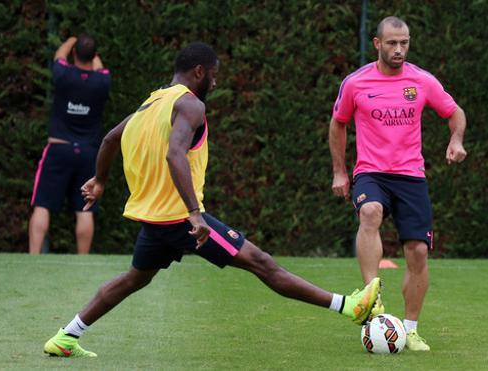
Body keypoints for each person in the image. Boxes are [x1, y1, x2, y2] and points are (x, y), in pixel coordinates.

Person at [43, 42, 381, 358]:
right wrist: (194, 214)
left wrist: (101, 180)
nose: (216, 83)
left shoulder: (151, 104)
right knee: (260, 261)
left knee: (135, 278)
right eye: (215, 75)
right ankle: (349, 306)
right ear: (200, 72)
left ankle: (66, 336)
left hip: (157, 219)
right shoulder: (190, 104)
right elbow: (175, 155)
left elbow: (109, 139)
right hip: (180, 219)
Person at [328, 16, 467, 351]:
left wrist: (456, 139)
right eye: (392, 43)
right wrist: (340, 172)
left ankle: (411, 329)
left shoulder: (421, 81)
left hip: (410, 176)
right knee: (371, 212)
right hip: (371, 172)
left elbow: (454, 112)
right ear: (378, 44)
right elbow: (338, 124)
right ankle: (371, 297)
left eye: (404, 42)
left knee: (417, 252)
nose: (399, 49)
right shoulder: (356, 83)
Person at [29, 34, 112, 255]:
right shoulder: (102, 81)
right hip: (88, 152)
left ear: (74, 53)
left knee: (43, 204)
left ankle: (33, 256)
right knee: (85, 208)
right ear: (94, 56)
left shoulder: (63, 74)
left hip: (59, 147)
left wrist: (71, 41)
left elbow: (58, 56)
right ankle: (82, 260)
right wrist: (91, 53)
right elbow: (99, 67)